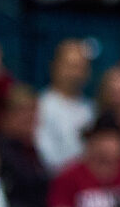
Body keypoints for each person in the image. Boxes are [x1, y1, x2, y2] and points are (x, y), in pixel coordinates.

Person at [48, 122, 120, 207]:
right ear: (90, 143)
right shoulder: (69, 176)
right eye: (103, 139)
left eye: (113, 139)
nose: (108, 146)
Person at [35, 40, 97, 172]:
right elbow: (46, 156)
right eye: (70, 66)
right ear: (54, 66)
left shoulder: (92, 108)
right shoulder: (41, 106)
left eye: (81, 67)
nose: (75, 73)